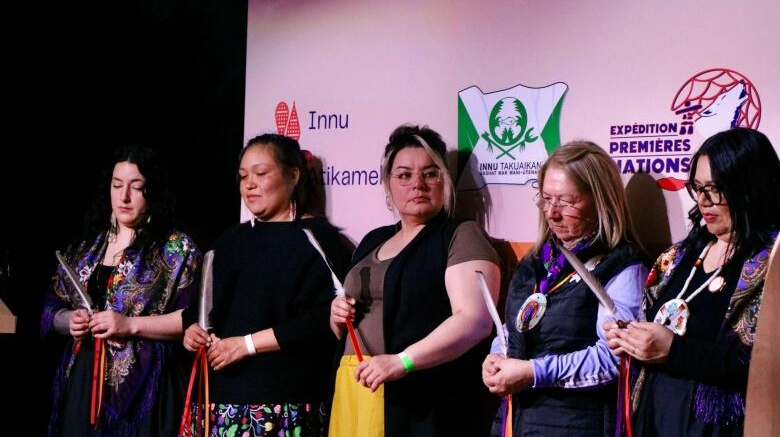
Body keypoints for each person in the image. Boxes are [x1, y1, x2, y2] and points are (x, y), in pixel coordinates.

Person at [605, 127, 780, 436]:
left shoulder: (772, 262)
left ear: (750, 188)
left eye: (714, 189)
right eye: (697, 188)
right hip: (654, 417)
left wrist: (674, 351)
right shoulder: (676, 257)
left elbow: (766, 367)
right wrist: (629, 339)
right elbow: (651, 325)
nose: (703, 201)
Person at [329, 124, 501, 437]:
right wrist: (337, 316)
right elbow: (348, 322)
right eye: (404, 175)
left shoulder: (460, 235)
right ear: (388, 183)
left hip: (423, 403)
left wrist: (402, 362)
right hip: (357, 388)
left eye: (430, 173)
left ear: (445, 180)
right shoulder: (372, 240)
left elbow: (475, 321)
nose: (417, 184)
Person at [182, 134, 350, 436]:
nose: (249, 184)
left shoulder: (316, 239)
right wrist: (193, 333)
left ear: (293, 176)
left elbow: (321, 321)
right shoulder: (229, 241)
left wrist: (246, 345)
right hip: (218, 404)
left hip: (283, 404)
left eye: (261, 174)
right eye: (243, 176)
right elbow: (198, 311)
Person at [482, 140, 647, 436]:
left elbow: (614, 358)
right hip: (516, 420)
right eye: (546, 199)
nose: (552, 213)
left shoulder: (622, 266)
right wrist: (496, 356)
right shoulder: (535, 261)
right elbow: (511, 328)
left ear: (600, 201)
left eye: (567, 202)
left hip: (577, 424)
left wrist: (533, 372)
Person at [41, 145, 202, 436]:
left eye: (136, 187)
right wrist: (70, 321)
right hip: (83, 377)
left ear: (152, 191)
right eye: (117, 186)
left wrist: (129, 325)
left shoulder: (177, 248)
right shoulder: (87, 247)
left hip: (145, 381)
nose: (124, 196)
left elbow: (191, 319)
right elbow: (50, 310)